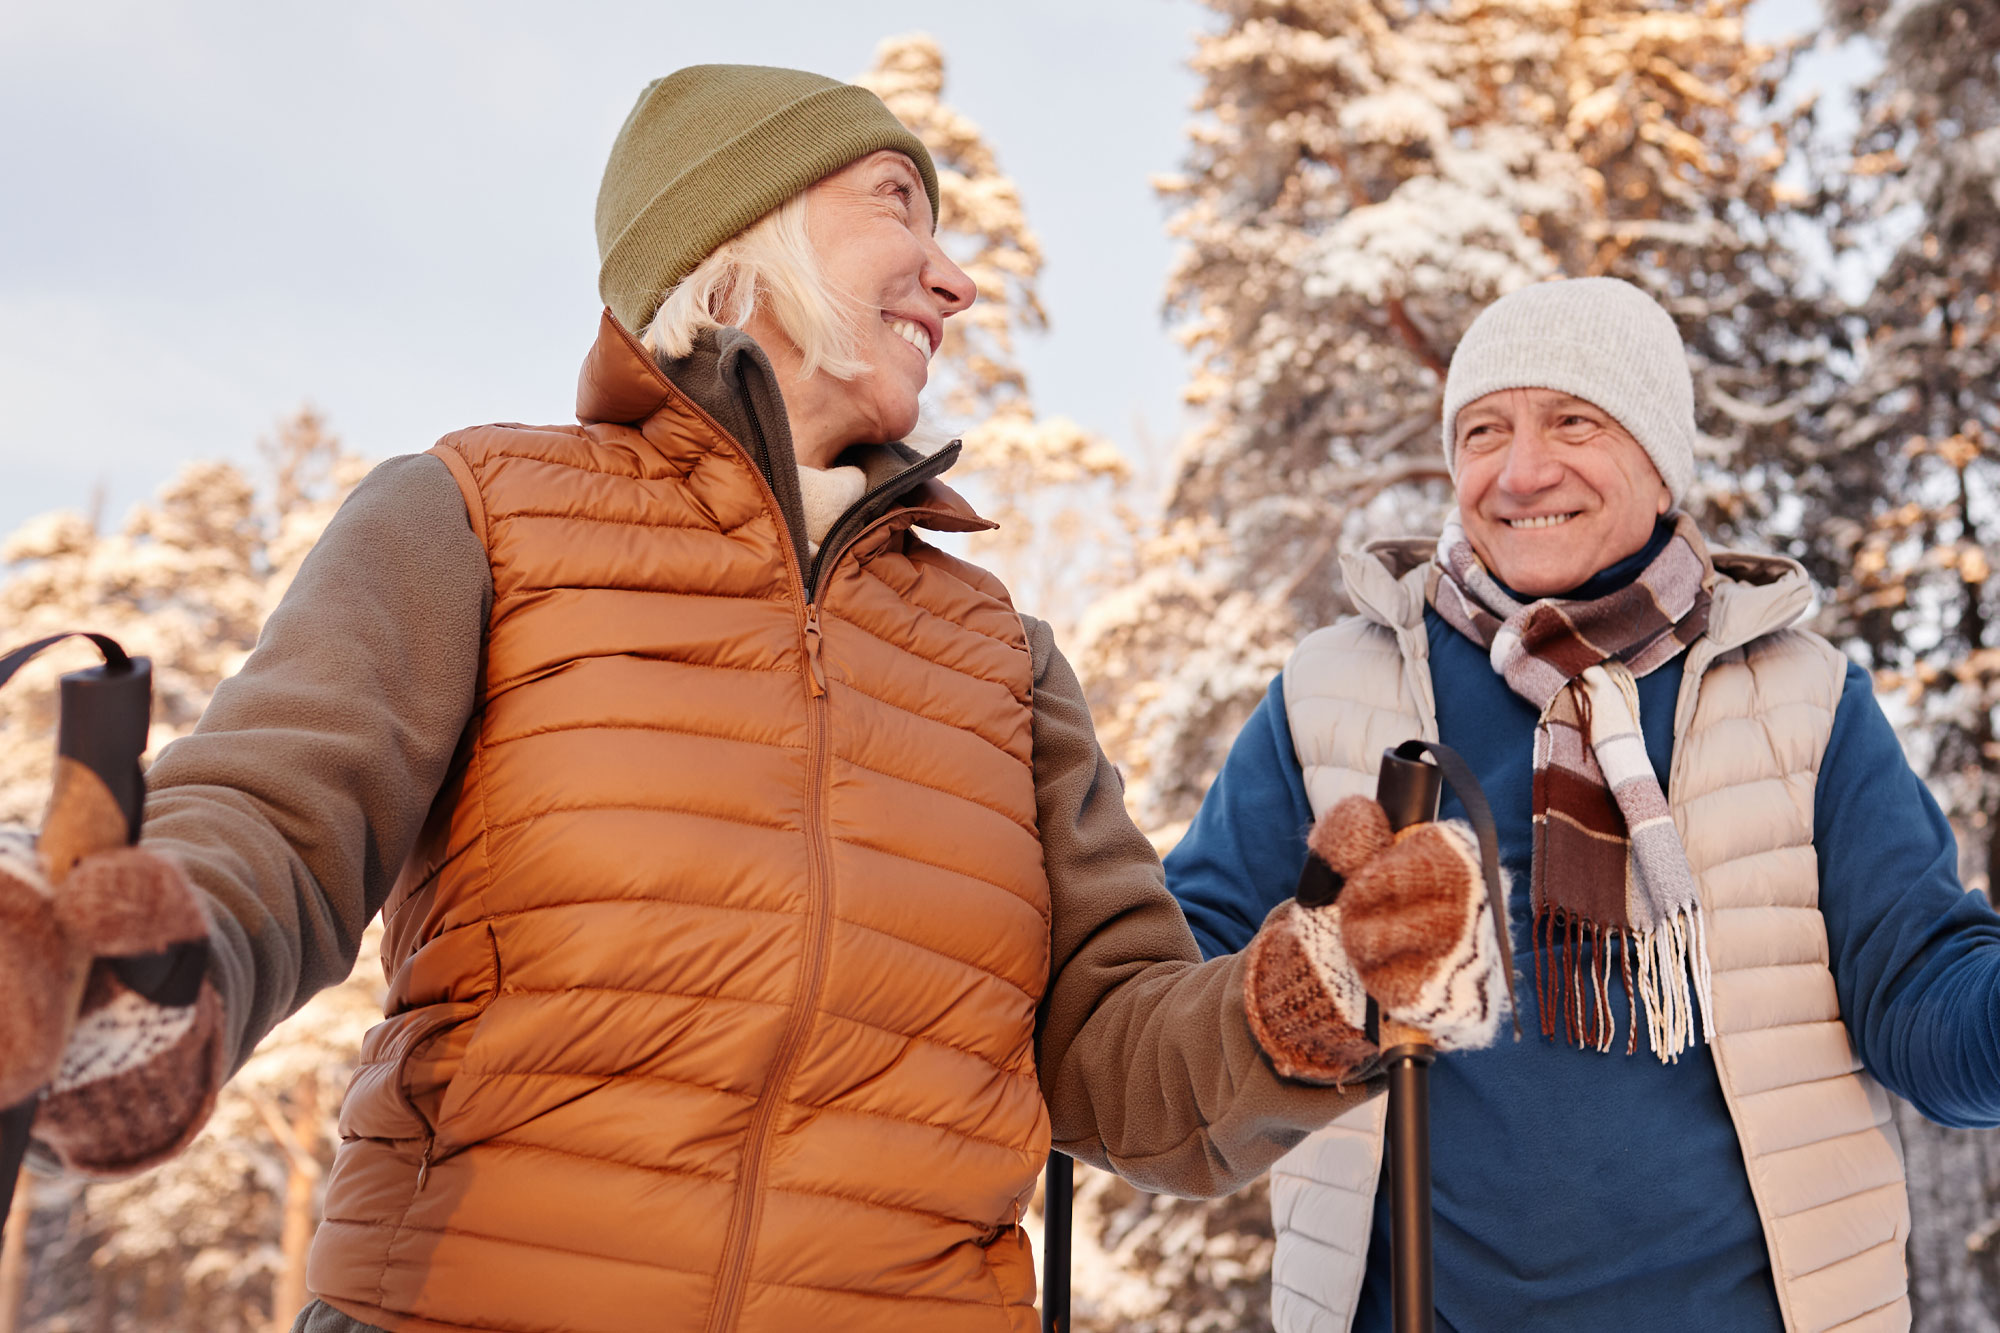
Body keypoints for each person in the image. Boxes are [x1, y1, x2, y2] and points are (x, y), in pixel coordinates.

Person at [0, 64, 1476, 1333]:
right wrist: (140, 969)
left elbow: (1114, 1055)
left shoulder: (997, 654)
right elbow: (273, 816)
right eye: (898, 205)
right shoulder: (479, 516)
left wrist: (1313, 995)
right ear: (734, 232)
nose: (957, 278)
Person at [1166, 276, 2000, 1333]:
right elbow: (1165, 1013)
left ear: (1658, 459)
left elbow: (1921, 997)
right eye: (1483, 430)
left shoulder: (1799, 701)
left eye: (1573, 421)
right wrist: (1314, 973)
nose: (1521, 472)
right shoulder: (1335, 696)